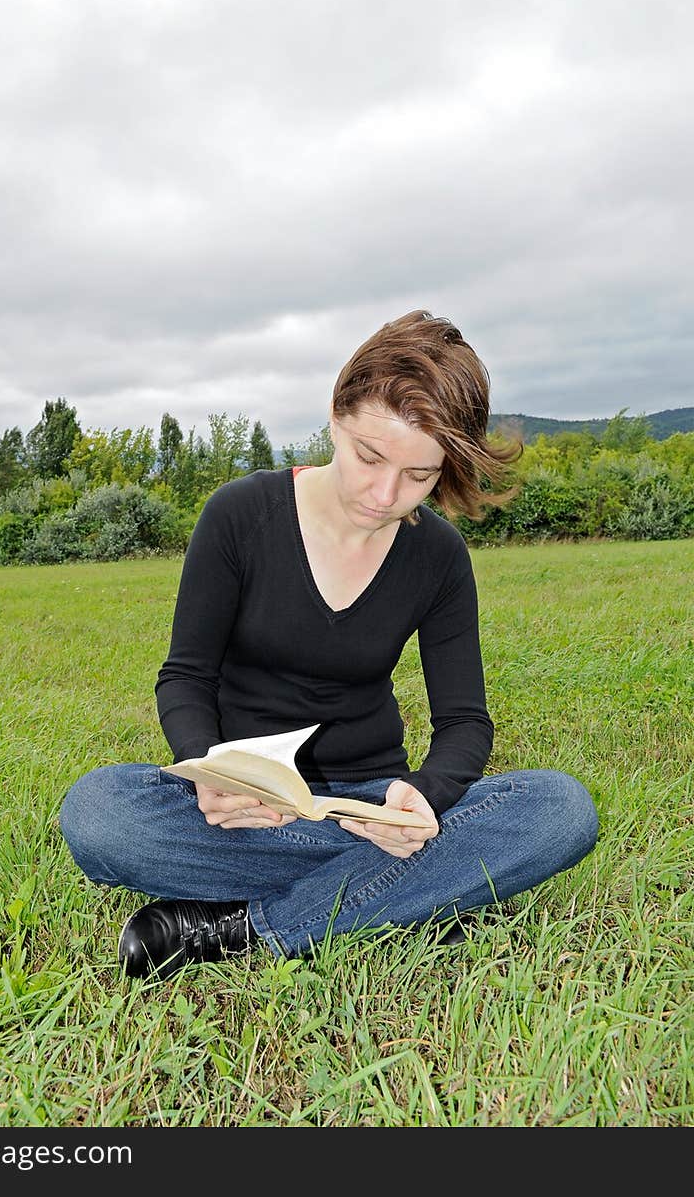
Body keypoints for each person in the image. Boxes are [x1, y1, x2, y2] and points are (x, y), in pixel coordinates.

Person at [59, 309, 599, 980]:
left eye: (419, 476)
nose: (383, 494)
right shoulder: (239, 515)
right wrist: (207, 771)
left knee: (561, 810)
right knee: (99, 813)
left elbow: (464, 722)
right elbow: (186, 676)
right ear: (338, 416)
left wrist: (425, 797)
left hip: (373, 801)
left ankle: (252, 928)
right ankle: (418, 896)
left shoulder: (438, 556)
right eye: (370, 457)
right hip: (250, 806)